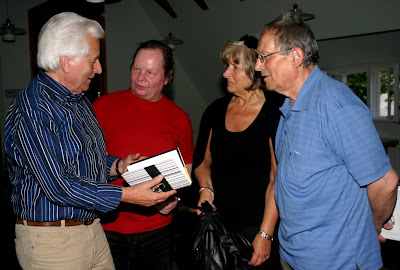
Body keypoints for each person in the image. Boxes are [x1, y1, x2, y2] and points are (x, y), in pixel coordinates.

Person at [4, 12, 176, 270]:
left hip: (91, 229)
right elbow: (59, 185)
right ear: (67, 62)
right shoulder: (35, 108)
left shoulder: (78, 99)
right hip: (53, 241)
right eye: (94, 60)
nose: (99, 69)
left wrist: (117, 165)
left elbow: (84, 156)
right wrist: (126, 195)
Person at [255, 12, 399, 270]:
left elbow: (385, 182)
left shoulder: (336, 104)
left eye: (264, 57)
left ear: (295, 57)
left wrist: (372, 226)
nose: (257, 66)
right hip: (291, 254)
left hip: (335, 260)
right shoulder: (287, 107)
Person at [92, 40, 194, 270]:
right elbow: (83, 162)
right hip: (106, 228)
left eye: (150, 72)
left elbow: (186, 165)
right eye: (136, 69)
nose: (140, 77)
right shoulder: (101, 106)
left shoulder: (180, 118)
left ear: (167, 78)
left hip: (156, 232)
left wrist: (173, 198)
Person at [193, 35, 282, 268]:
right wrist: (205, 189)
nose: (225, 74)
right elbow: (202, 162)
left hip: (258, 226)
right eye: (226, 66)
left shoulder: (275, 111)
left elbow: (277, 178)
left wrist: (265, 234)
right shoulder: (215, 110)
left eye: (235, 67)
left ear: (255, 71)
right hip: (218, 225)